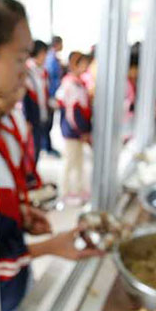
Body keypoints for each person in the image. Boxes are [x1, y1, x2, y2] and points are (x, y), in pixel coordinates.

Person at [0, 0, 102, 311]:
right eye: (20, 58)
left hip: (10, 288)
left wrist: (20, 214)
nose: (26, 73)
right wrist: (52, 247)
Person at [56, 51, 92, 204]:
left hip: (78, 130)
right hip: (72, 130)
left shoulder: (79, 83)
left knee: (78, 161)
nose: (86, 67)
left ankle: (78, 190)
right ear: (74, 65)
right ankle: (63, 192)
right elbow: (72, 113)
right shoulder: (69, 84)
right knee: (69, 161)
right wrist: (81, 131)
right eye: (82, 64)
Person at [24, 40, 53, 161]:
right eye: (44, 54)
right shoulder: (27, 71)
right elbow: (25, 97)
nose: (46, 57)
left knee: (37, 147)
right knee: (32, 150)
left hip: (40, 115)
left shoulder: (42, 71)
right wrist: (26, 119)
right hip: (31, 117)